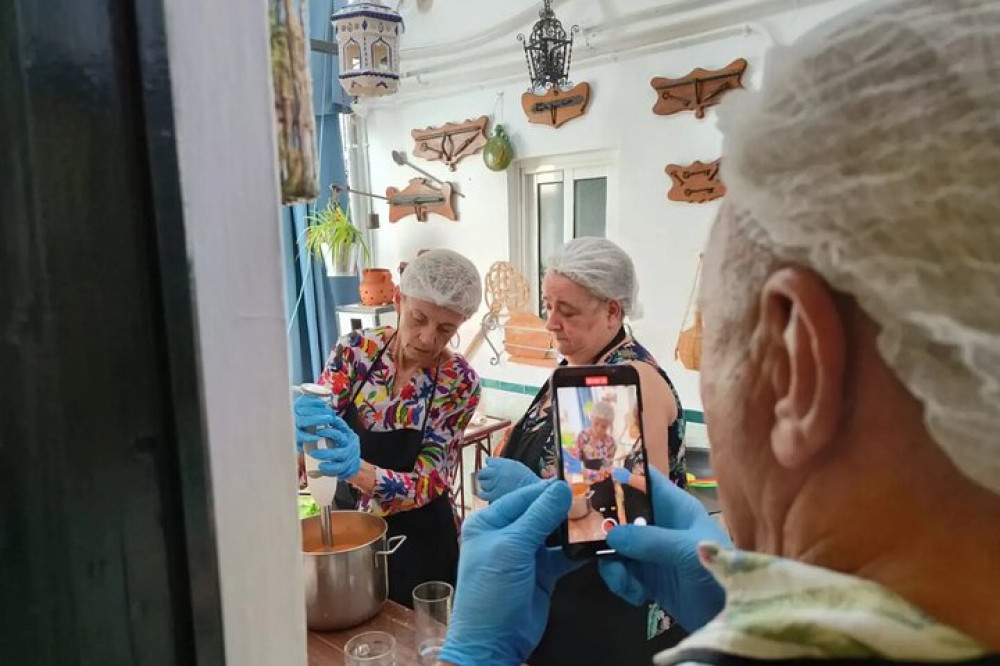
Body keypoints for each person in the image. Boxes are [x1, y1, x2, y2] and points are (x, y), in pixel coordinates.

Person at [437, 1, 1000, 664]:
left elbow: (612, 505)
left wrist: (473, 657)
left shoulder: (636, 379)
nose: (553, 322)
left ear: (797, 364)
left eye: (720, 325)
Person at [480, 237, 688, 665]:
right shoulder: (574, 366)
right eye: (547, 305)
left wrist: (535, 491)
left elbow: (628, 517)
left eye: (567, 311)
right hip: (562, 586)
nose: (551, 322)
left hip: (607, 600)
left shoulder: (628, 377)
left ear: (613, 310)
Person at [294, 249, 482, 607]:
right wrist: (301, 445)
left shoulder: (458, 382)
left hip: (420, 542)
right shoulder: (355, 350)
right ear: (398, 299)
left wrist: (359, 471)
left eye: (445, 328)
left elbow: (431, 481)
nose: (428, 338)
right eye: (419, 318)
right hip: (348, 536)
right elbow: (319, 428)